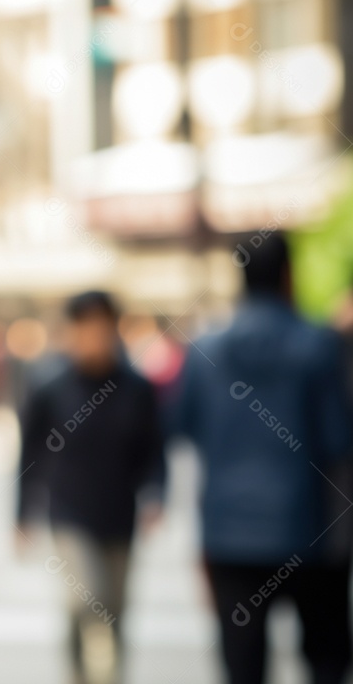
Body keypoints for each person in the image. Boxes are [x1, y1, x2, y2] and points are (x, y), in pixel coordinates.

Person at [172, 233, 353, 684]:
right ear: (289, 276)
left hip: (229, 534)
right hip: (312, 531)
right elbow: (337, 439)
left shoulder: (205, 350)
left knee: (243, 665)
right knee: (326, 659)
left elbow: (181, 427)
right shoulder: (320, 346)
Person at [17, 291, 164, 684]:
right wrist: (21, 514)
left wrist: (156, 493)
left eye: (103, 326)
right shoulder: (50, 387)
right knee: (85, 601)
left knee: (113, 611)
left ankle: (107, 677)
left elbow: (154, 451)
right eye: (86, 327)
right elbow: (29, 454)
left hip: (119, 515)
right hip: (69, 515)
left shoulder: (138, 389)